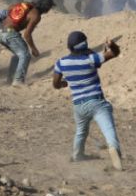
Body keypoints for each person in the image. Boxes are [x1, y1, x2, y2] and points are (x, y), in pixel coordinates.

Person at [52, 32, 123, 171]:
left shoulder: (61, 62)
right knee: (108, 129)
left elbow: (55, 84)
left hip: (79, 105)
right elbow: (115, 53)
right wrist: (112, 45)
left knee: (81, 131)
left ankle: (77, 154)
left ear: (70, 46)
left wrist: (63, 84)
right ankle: (114, 149)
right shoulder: (91, 59)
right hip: (97, 102)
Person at [0, 0, 54, 86]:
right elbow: (27, 35)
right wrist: (34, 49)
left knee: (19, 54)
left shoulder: (26, 4)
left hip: (0, 31)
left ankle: (11, 78)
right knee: (25, 55)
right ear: (47, 7)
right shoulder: (36, 15)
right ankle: (18, 81)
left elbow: (10, 8)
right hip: (9, 33)